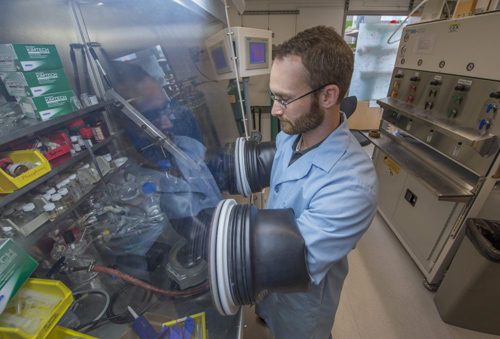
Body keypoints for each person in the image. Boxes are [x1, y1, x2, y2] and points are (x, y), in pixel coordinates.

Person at [255, 25, 379, 339]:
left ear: (328, 95)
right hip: (272, 291)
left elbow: (290, 261)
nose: (274, 109)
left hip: (303, 305)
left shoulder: (353, 185)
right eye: (274, 96)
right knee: (270, 319)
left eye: (283, 99)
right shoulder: (291, 135)